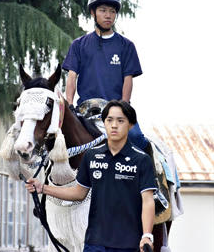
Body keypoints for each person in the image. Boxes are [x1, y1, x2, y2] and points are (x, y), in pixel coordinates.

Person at [25, 100, 156, 252]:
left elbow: (147, 201)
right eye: (109, 120)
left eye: (120, 121)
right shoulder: (92, 156)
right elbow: (79, 193)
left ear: (130, 125)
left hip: (128, 244)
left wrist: (147, 235)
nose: (114, 125)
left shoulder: (141, 160)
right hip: (94, 244)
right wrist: (43, 188)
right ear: (104, 123)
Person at [62, 0, 149, 151]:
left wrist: (124, 107)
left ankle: (151, 174)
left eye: (112, 11)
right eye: (102, 10)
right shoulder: (79, 45)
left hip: (116, 109)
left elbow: (128, 80)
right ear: (93, 13)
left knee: (136, 137)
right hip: (85, 110)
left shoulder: (126, 46)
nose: (108, 15)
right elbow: (72, 77)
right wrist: (70, 103)